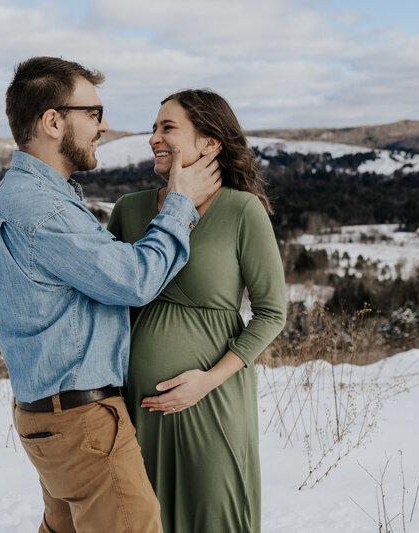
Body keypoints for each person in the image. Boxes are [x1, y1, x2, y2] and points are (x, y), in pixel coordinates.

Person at [0, 57, 221, 533]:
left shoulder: (29, 194)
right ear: (53, 121)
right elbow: (133, 279)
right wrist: (180, 206)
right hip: (82, 423)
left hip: (50, 419)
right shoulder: (44, 210)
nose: (104, 126)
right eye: (93, 113)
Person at [107, 89, 287, 533]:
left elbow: (271, 313)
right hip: (140, 407)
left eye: (168, 127)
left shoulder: (242, 210)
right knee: (146, 520)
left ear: (210, 143)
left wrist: (206, 381)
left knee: (215, 516)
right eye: (153, 128)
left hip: (213, 399)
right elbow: (107, 303)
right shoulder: (128, 210)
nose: (153, 138)